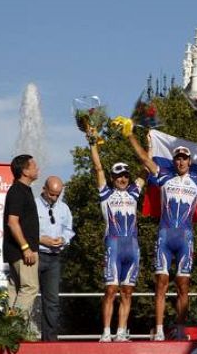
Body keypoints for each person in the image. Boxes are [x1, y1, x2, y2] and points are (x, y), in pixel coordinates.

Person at [126, 130, 197, 341]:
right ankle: (160, 329)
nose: (181, 162)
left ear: (189, 162)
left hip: (186, 237)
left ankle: (181, 329)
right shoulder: (164, 176)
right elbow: (145, 159)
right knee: (161, 282)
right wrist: (129, 135)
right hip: (165, 235)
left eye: (184, 159)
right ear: (174, 161)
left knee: (183, 286)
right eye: (177, 159)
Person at [87, 133, 144, 343]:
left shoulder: (134, 192)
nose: (123, 179)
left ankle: (121, 332)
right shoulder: (106, 194)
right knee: (111, 290)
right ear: (112, 178)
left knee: (127, 292)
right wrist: (92, 144)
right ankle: (106, 332)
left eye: (126, 175)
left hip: (132, 247)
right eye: (119, 175)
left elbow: (147, 168)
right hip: (113, 244)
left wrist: (151, 143)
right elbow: (98, 168)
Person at [3, 154, 41, 332]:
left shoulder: (23, 189)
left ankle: (7, 330)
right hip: (22, 252)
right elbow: (12, 222)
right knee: (30, 287)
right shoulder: (18, 190)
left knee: (16, 289)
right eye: (33, 165)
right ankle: (14, 327)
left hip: (18, 251)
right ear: (25, 171)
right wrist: (26, 248)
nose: (37, 167)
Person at [35, 175, 75, 341]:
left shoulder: (63, 208)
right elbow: (25, 230)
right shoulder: (33, 205)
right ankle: (21, 338)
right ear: (44, 189)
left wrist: (63, 239)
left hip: (54, 258)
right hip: (35, 256)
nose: (55, 198)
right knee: (27, 296)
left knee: (52, 301)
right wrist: (42, 239)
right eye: (52, 194)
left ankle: (50, 341)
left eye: (58, 194)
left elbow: (68, 229)